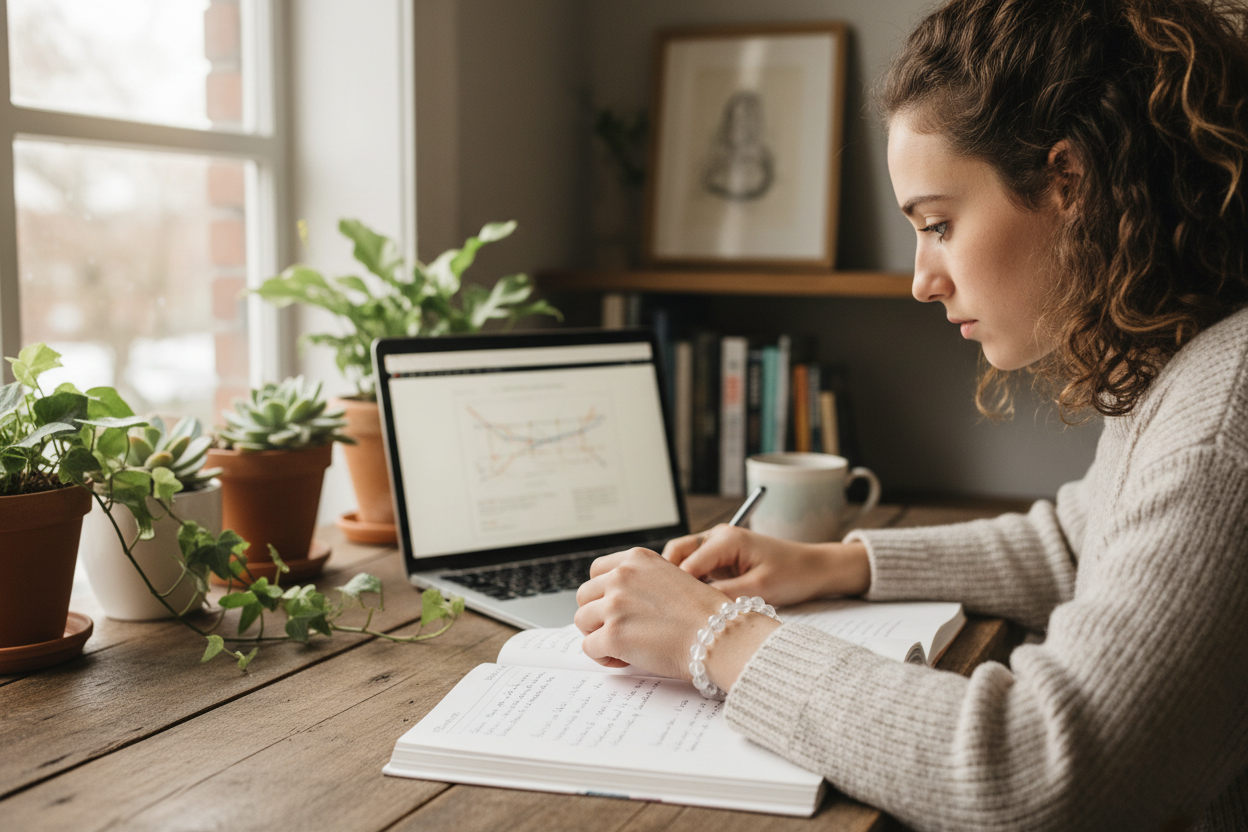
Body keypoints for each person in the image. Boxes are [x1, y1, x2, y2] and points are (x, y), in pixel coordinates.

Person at [573, 1, 1248, 829]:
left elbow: (1040, 767)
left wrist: (718, 639)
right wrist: (830, 563)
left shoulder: (1225, 414)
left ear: (1069, 183)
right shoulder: (1191, 362)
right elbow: (1080, 541)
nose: (922, 279)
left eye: (938, 224)